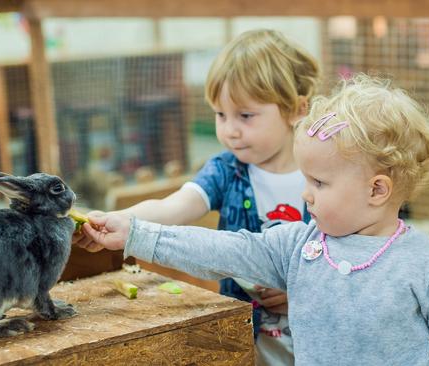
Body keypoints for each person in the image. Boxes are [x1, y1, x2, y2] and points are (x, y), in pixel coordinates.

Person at [77, 74, 429, 365]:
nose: (305, 193)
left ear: (377, 190)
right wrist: (134, 233)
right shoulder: (300, 246)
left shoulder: (427, 267)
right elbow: (222, 250)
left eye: (318, 181)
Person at [74, 29, 319, 365]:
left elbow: (350, 255)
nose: (230, 130)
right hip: (250, 339)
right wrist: (121, 221)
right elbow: (173, 206)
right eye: (221, 115)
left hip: (316, 339)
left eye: (245, 116)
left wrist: (304, 292)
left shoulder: (323, 174)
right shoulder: (226, 170)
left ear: (295, 109)